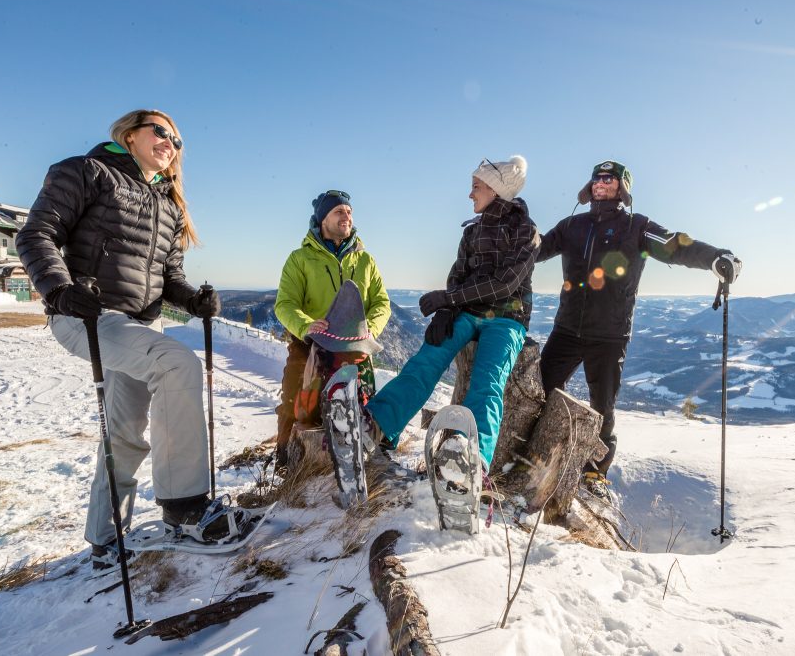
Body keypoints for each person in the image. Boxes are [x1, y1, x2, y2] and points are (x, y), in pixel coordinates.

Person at [15, 109, 234, 574]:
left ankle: (104, 538)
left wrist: (193, 300)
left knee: (124, 431)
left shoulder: (170, 206)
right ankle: (185, 508)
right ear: (129, 134)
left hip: (139, 325)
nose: (170, 143)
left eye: (176, 139)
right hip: (88, 315)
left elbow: (167, 277)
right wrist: (59, 288)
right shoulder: (86, 172)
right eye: (161, 131)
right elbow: (36, 234)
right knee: (178, 364)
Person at [537, 160, 741, 500]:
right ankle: (532, 453)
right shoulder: (571, 225)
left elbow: (677, 246)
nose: (601, 183)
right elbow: (536, 249)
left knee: (602, 407)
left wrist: (715, 257)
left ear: (623, 188)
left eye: (610, 179)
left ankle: (594, 473)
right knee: (541, 390)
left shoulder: (636, 227)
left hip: (610, 335)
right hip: (567, 329)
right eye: (597, 178)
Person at [359, 155, 538, 482]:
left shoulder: (525, 231)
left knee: (487, 383)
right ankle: (377, 428)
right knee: (426, 360)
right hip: (467, 312)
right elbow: (458, 276)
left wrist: (449, 299)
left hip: (507, 317)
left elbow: (505, 284)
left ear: (496, 189)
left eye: (476, 187)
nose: (470, 194)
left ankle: (472, 461)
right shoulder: (472, 232)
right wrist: (447, 310)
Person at [273, 190, 390, 471]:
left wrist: (369, 328)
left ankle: (372, 454)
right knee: (295, 401)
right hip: (311, 344)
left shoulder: (365, 260)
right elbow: (285, 304)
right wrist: (305, 325)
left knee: (364, 404)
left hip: (355, 346)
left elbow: (381, 302)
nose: (346, 216)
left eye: (349, 212)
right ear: (323, 218)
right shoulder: (300, 259)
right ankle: (286, 461)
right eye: (339, 211)